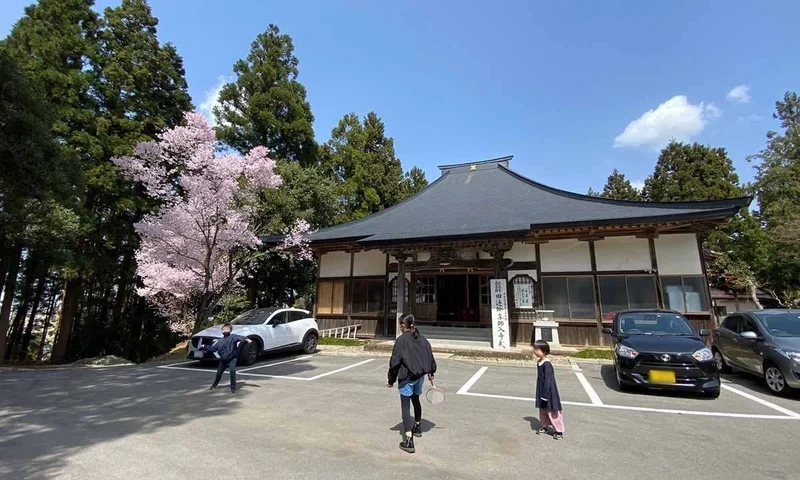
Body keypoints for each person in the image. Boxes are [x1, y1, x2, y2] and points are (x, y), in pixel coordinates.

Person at [387, 314, 437, 454]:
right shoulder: (422, 338)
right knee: (416, 399)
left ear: (403, 325)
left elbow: (394, 362)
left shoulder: (401, 340)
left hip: (407, 377)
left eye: (399, 325)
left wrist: (391, 380)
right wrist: (431, 373)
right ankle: (418, 427)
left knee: (405, 406)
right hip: (419, 376)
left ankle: (408, 440)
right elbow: (429, 355)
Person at [200, 323, 252, 393]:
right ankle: (214, 385)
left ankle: (232, 388)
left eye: (227, 329)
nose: (225, 331)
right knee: (219, 373)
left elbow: (240, 337)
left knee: (232, 372)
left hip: (232, 358)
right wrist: (205, 347)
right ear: (221, 331)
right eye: (223, 329)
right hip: (223, 359)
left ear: (230, 331)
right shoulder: (220, 341)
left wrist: (247, 339)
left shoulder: (233, 337)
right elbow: (213, 349)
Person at [534, 339, 564, 440]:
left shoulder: (547, 364)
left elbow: (548, 380)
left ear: (544, 350)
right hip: (541, 389)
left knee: (552, 410)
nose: (535, 351)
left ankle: (559, 430)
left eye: (537, 349)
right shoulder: (539, 362)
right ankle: (544, 426)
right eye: (535, 349)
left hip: (549, 391)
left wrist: (545, 395)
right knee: (543, 409)